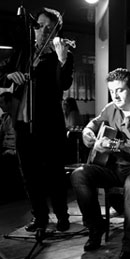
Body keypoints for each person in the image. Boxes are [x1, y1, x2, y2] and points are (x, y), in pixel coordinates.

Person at [70, 68, 130, 259]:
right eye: (111, 91)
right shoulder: (110, 108)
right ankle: (96, 227)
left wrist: (113, 145)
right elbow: (95, 123)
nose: (115, 95)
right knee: (79, 174)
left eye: (120, 90)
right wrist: (87, 132)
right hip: (118, 167)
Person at [0, 7, 74, 232]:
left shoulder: (61, 53)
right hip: (23, 122)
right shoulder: (24, 52)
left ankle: (62, 215)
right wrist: (8, 76)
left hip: (49, 124)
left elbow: (64, 84)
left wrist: (63, 61)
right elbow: (2, 73)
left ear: (55, 30)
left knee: (54, 173)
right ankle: (39, 216)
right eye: (39, 26)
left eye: (47, 28)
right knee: (29, 174)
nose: (41, 31)